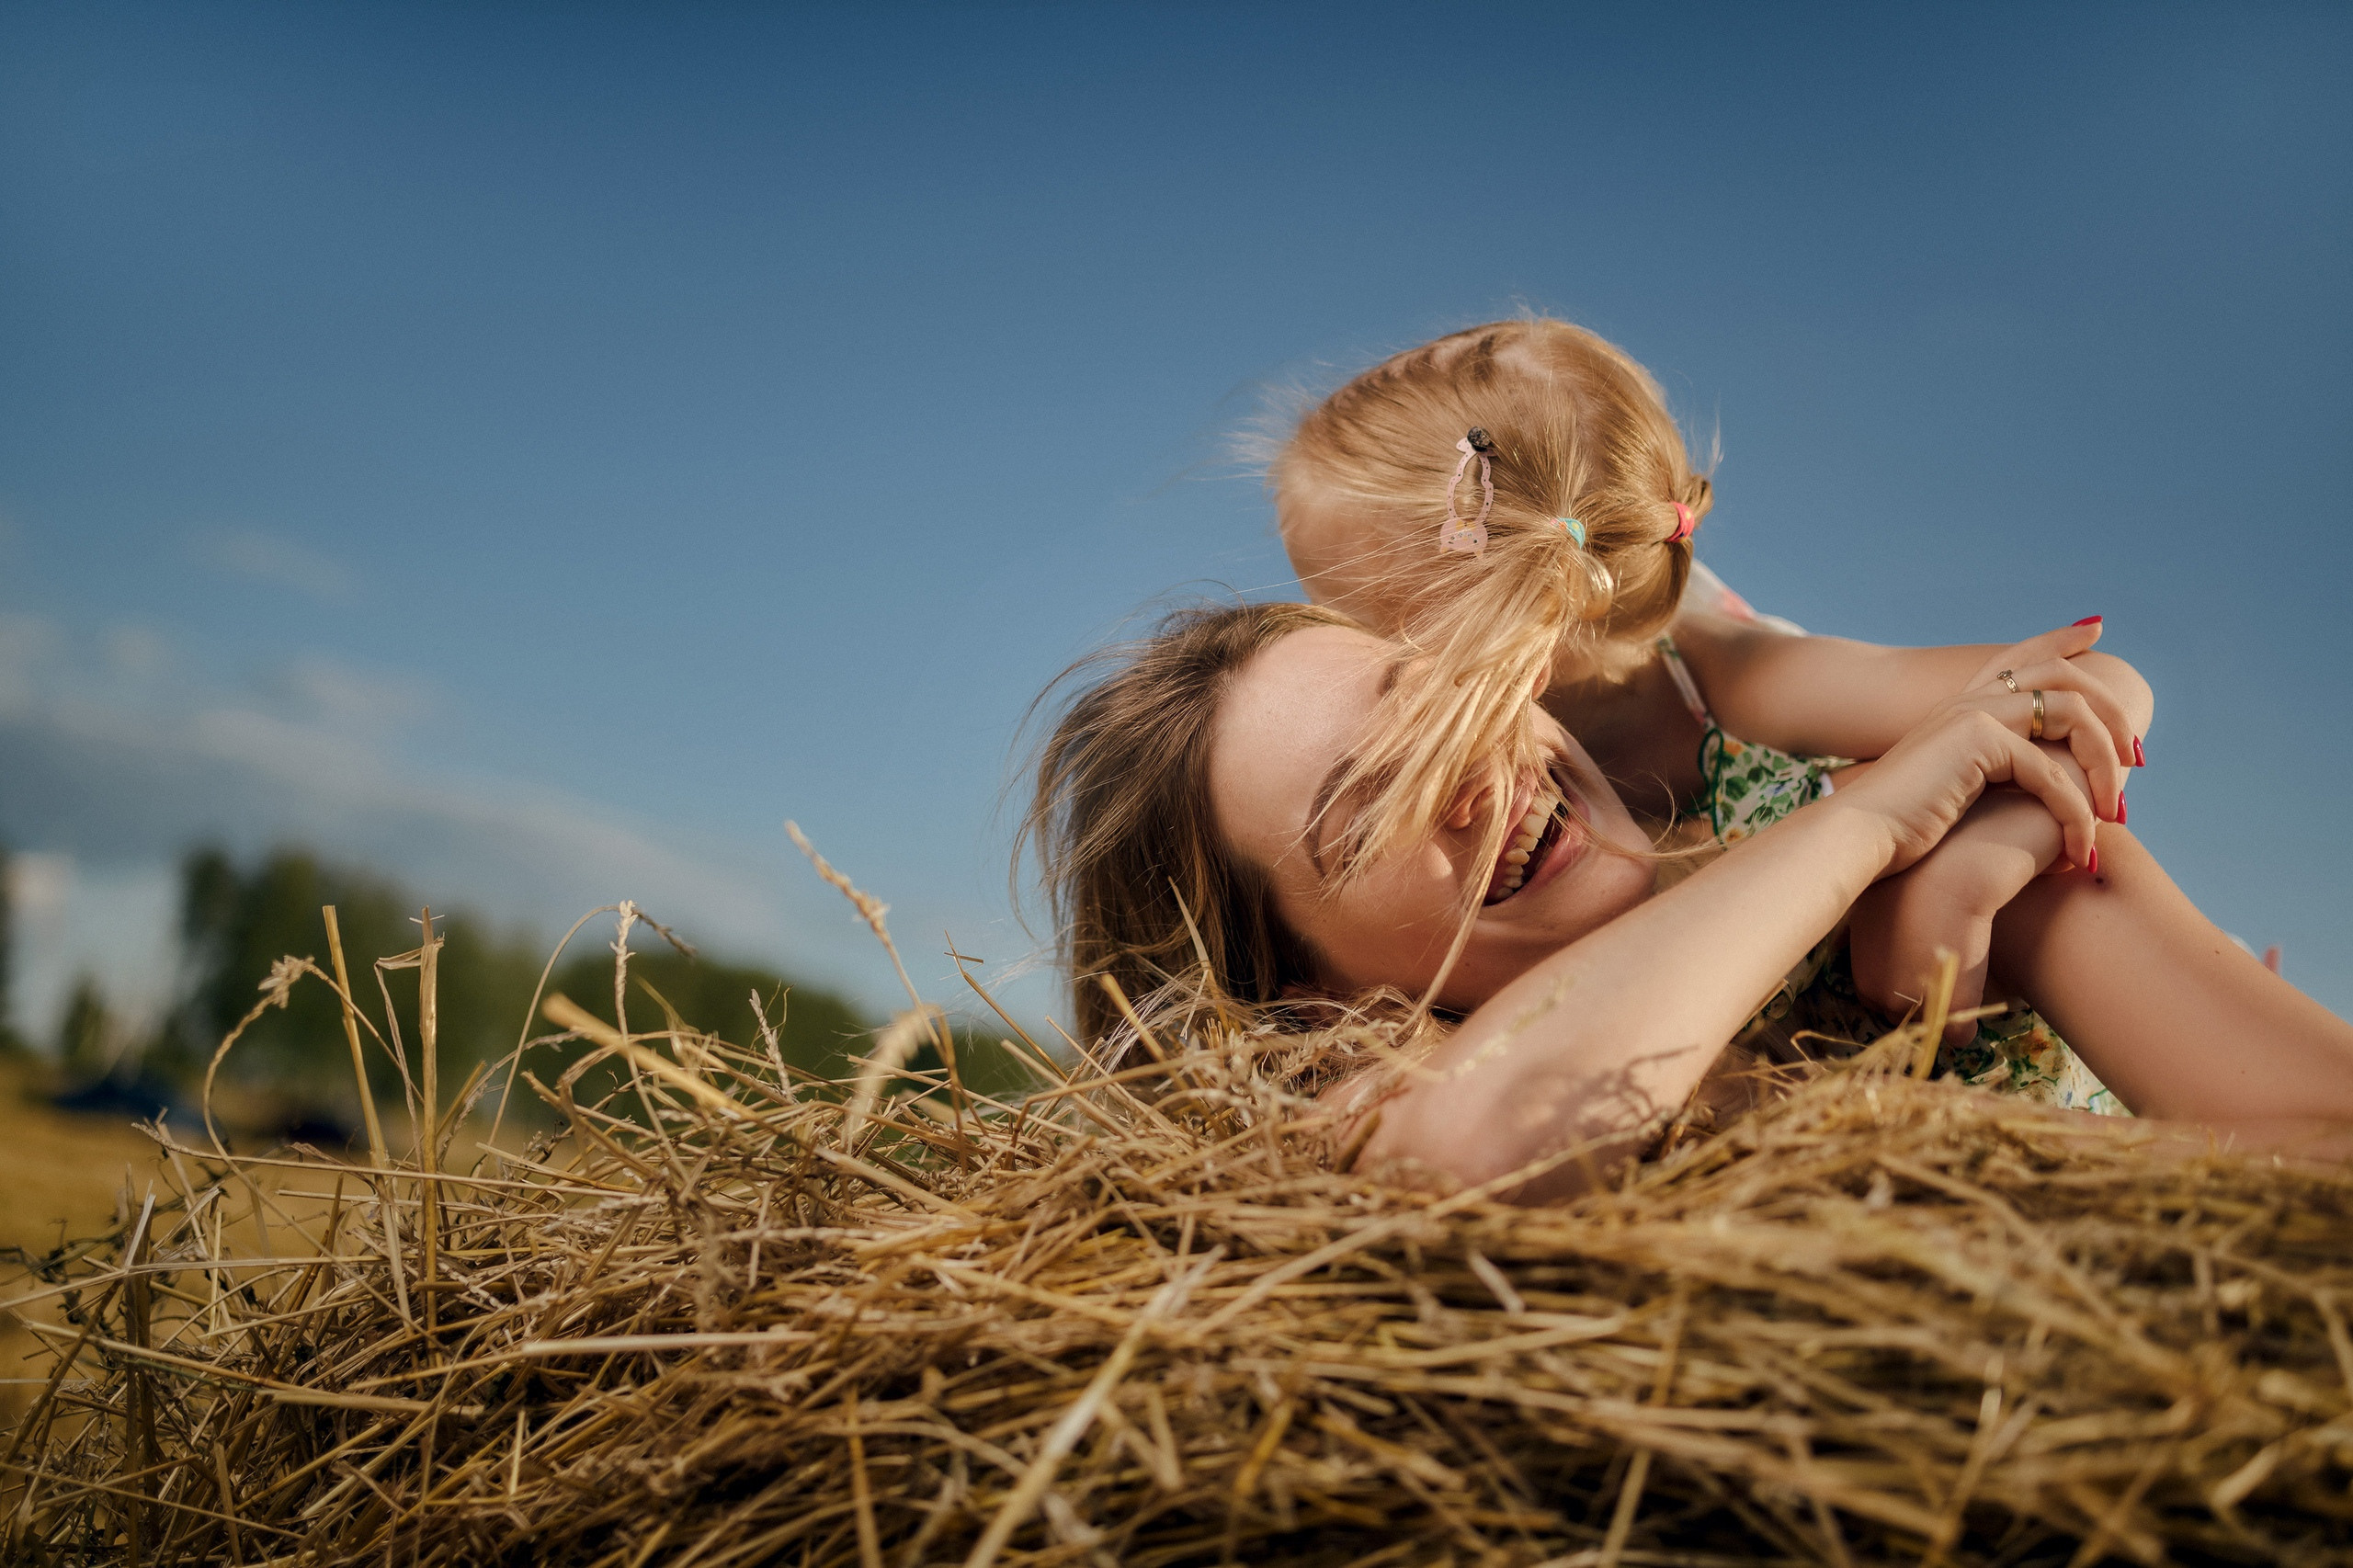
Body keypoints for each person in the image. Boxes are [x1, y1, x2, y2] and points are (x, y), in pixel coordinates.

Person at [1024, 601, 2353, 1199]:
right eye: (1365, 811)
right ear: (1309, 992)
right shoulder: (1367, 1109)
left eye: (1437, 706)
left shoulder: (1987, 876)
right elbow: (1487, 1142)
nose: (1470, 781)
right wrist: (1869, 818)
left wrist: (1906, 832)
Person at [1269, 316, 2154, 1068]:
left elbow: (2079, 690)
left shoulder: (1724, 671)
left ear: (1491, 596)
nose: (1342, 655)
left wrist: (1967, 861)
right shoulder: (1478, 800)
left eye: (1353, 612)